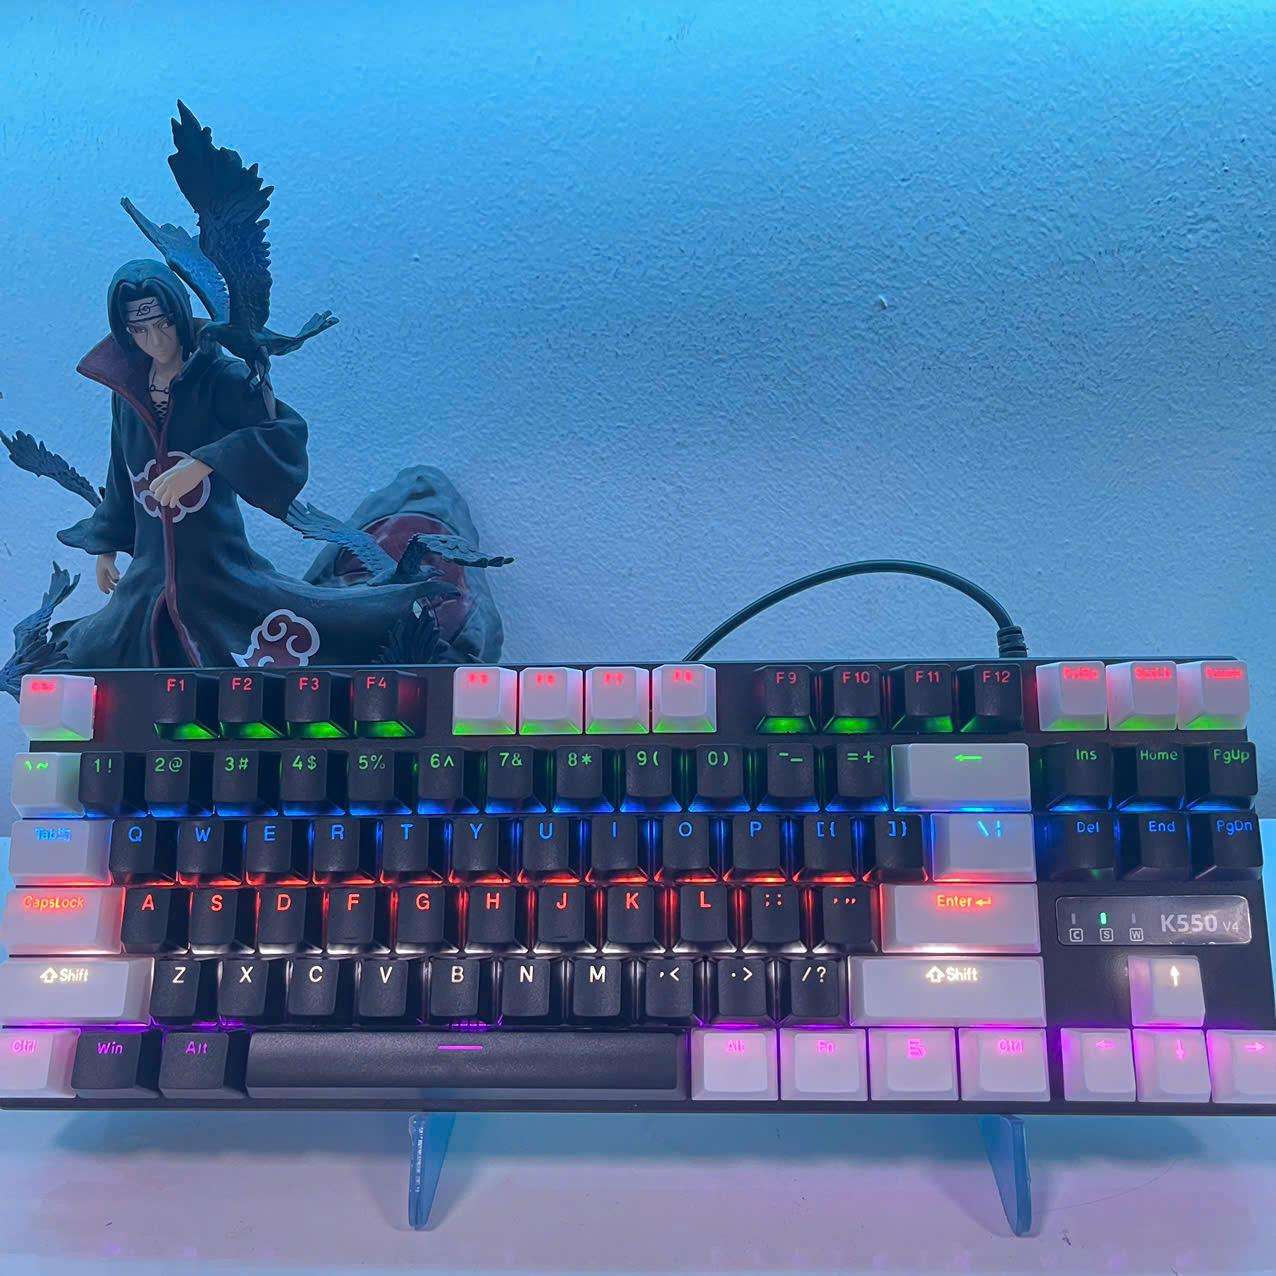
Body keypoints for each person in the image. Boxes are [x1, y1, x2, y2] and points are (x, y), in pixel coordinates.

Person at [53, 259, 500, 669]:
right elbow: (121, 475)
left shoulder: (220, 378)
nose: (155, 340)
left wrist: (205, 463)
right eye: (139, 329)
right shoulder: (128, 395)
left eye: (163, 323)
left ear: (180, 315)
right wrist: (106, 545)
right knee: (77, 658)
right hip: (148, 578)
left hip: (215, 568)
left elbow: (281, 433)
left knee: (310, 636)